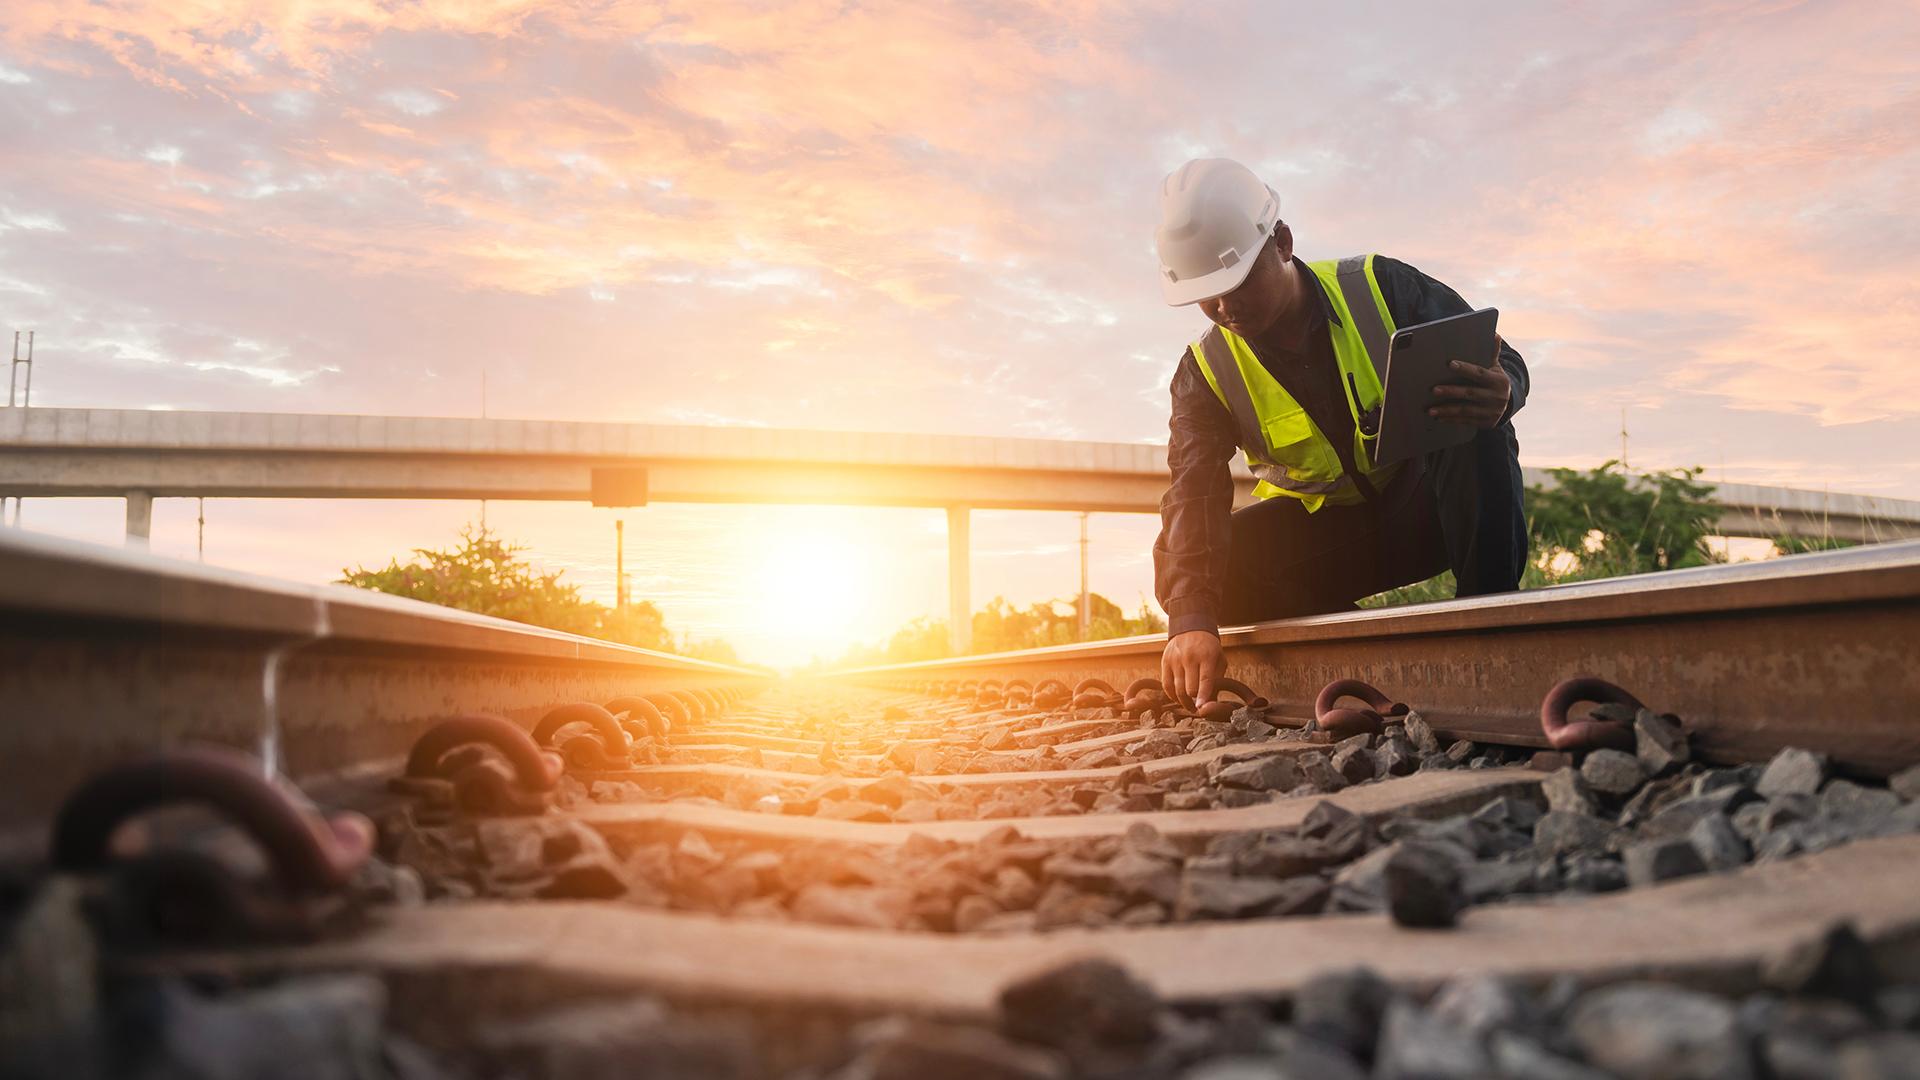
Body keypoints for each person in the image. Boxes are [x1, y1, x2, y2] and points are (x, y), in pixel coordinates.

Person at [1151, 158, 1530, 707]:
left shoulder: (1380, 287)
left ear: (1281, 242)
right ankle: (1360, 643)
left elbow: (1497, 356)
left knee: (1475, 414)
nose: (1226, 308)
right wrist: (1189, 618)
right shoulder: (1203, 374)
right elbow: (1193, 491)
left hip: (1434, 516)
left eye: (1236, 282)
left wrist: (1506, 388)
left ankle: (1485, 617)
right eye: (1207, 296)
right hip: (1332, 542)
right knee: (1198, 572)